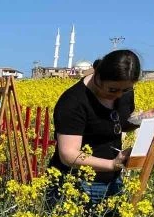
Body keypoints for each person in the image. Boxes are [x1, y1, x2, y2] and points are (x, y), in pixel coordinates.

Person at [48, 49, 141, 206]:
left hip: (112, 181)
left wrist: (142, 120)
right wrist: (111, 164)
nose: (119, 95)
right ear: (98, 77)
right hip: (75, 185)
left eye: (125, 90)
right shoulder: (73, 102)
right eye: (112, 90)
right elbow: (68, 154)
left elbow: (120, 124)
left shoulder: (124, 93)